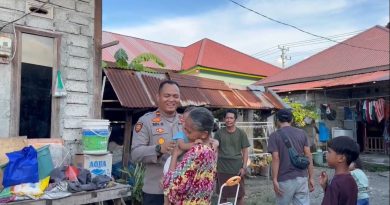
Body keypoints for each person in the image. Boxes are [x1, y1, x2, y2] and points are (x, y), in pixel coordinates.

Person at [131, 80, 182, 205]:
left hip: (182, 189)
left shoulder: (186, 121)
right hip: (155, 190)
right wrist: (158, 149)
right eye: (167, 96)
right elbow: (135, 154)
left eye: (175, 96)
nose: (171, 99)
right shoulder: (146, 121)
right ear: (158, 97)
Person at [162, 107, 218, 204]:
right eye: (185, 129)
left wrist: (174, 155)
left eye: (189, 132)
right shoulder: (211, 150)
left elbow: (173, 186)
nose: (186, 135)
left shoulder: (197, 151)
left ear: (204, 134)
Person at [267, 109, 314, 205]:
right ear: (291, 120)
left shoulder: (274, 136)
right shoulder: (302, 133)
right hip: (302, 177)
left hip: (284, 179)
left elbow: (276, 158)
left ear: (277, 120)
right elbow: (308, 155)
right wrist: (311, 177)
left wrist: (275, 179)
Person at [215, 109, 250, 205]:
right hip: (222, 168)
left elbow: (245, 151)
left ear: (235, 120)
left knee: (240, 194)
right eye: (227, 118)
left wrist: (244, 167)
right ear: (223, 119)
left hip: (237, 169)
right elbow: (216, 151)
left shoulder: (241, 133)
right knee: (222, 194)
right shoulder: (219, 133)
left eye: (231, 118)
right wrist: (214, 167)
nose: (229, 120)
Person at [319, 136, 359, 205]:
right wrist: (325, 187)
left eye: (329, 151)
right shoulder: (351, 180)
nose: (326, 154)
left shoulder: (336, 183)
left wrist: (329, 189)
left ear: (341, 158)